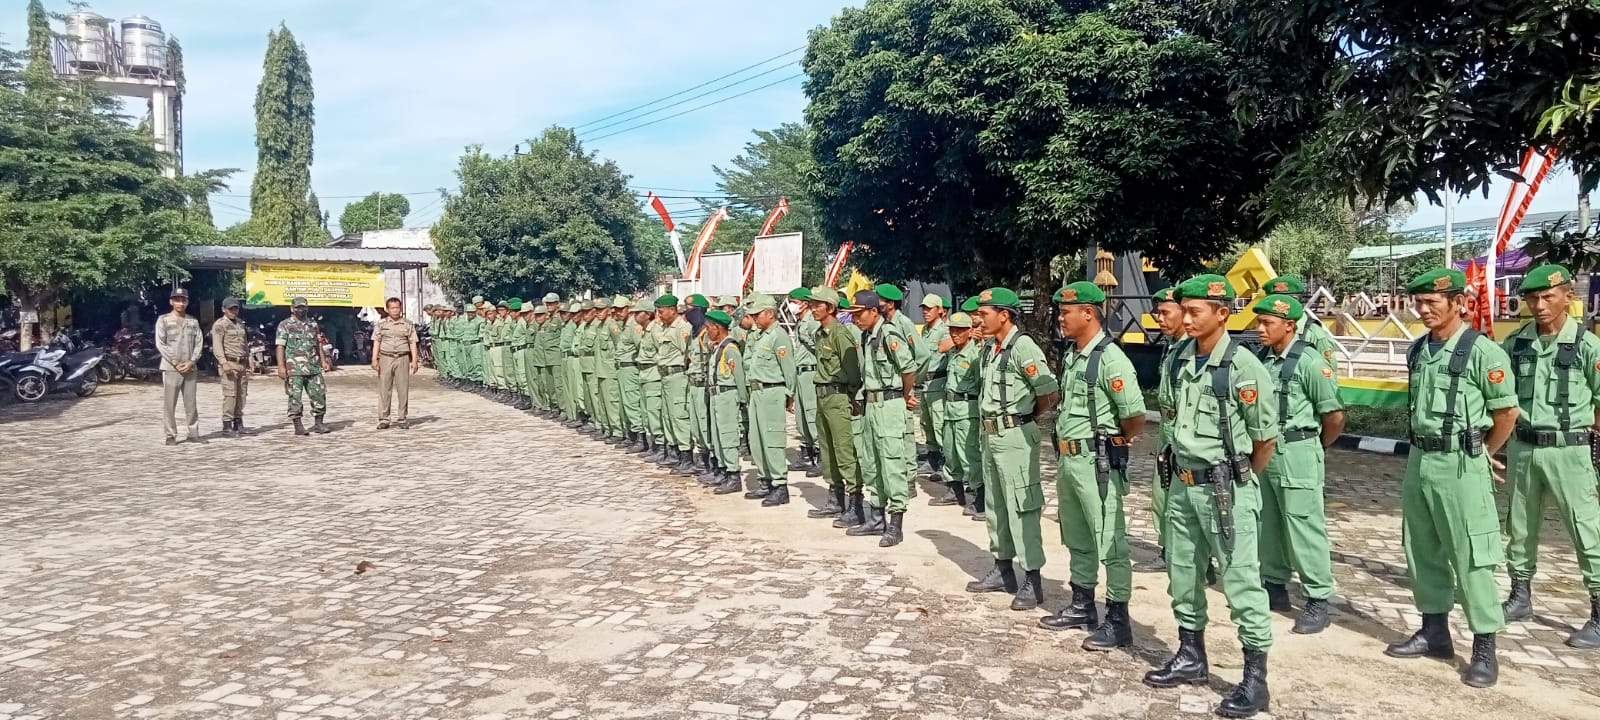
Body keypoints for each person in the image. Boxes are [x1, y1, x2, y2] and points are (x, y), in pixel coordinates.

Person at [1143, 275, 1277, 719]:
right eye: (1185, 309)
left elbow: (1264, 440)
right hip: (1182, 485)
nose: (1187, 316)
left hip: (1226, 489)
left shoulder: (1243, 366)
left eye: (1197, 309)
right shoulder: (1179, 357)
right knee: (1182, 571)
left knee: (1240, 581)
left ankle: (1255, 679)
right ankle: (1191, 654)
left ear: (1223, 312)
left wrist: (1236, 477)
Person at [1382, 268, 1518, 688]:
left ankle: (1483, 646)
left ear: (1458, 302)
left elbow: (1506, 414)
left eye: (1432, 303)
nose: (1423, 310)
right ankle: (1434, 630)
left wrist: (1482, 454)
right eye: (1418, 303)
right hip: (1421, 460)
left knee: (1471, 553)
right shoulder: (1419, 350)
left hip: (1462, 464)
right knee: (1421, 547)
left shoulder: (1482, 352)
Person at [1038, 282, 1147, 651]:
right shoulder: (1074, 355)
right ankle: (1082, 604)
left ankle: (1118, 619)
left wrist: (1118, 440)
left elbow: (1133, 415)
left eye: (1066, 312)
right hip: (1070, 459)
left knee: (1110, 540)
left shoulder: (1110, 358)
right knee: (1078, 535)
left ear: (1089, 313)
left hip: (1096, 460)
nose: (1060, 317)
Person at [1498, 264, 1600, 648]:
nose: (1539, 305)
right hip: (1524, 447)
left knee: (1586, 529)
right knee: (1519, 526)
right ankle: (1520, 596)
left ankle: (1598, 612)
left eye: (1547, 297)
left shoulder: (1588, 346)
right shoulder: (1518, 344)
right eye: (1532, 298)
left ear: (1567, 297)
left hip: (1569, 449)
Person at [1252, 294, 1344, 635]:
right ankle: (1274, 584)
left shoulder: (1309, 362)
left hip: (1299, 449)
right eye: (1258, 322)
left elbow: (1333, 416)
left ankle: (1317, 597)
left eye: (1267, 323)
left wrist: (1314, 447)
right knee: (1269, 522)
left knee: (1304, 525)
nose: (1260, 329)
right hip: (1268, 451)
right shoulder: (1264, 359)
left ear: (1289, 325)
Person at [963, 288, 1060, 609]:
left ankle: (1032, 577)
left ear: (1004, 315)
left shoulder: (1023, 347)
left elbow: (1048, 392)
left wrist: (1024, 418)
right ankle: (1003, 567)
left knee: (1022, 506)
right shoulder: (991, 348)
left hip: (1016, 437)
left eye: (985, 313)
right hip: (991, 437)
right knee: (996, 505)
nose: (979, 318)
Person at [848, 290, 921, 547]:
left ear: (873, 311)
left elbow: (909, 368)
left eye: (859, 313)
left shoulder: (889, 334)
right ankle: (875, 517)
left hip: (890, 405)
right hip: (871, 405)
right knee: (872, 462)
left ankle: (896, 524)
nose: (855, 318)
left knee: (892, 463)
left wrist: (903, 393)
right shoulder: (868, 336)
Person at [806, 287, 864, 522]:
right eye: (812, 304)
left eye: (818, 304)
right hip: (822, 396)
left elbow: (852, 370)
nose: (813, 308)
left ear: (830, 308)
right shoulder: (820, 334)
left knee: (844, 449)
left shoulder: (841, 334)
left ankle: (855, 503)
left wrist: (849, 396)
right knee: (827, 450)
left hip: (838, 396)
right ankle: (835, 499)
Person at [1141, 287, 1188, 573]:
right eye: (1157, 312)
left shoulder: (1194, 349)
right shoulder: (1172, 347)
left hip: (1184, 429)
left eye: (1165, 312)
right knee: (1162, 492)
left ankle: (1194, 558)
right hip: (1167, 427)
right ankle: (1168, 549)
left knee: (1183, 495)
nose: (1159, 318)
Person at [740, 294, 798, 506]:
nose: (754, 318)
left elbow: (789, 369)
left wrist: (789, 395)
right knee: (757, 440)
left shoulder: (778, 336)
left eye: (757, 314)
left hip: (772, 392)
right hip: (757, 392)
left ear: (770, 313)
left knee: (772, 440)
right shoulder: (762, 335)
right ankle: (765, 480)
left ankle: (780, 485)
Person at [876, 283, 923, 497]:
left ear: (890, 304)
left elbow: (921, 356)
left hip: (903, 388)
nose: (877, 305)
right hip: (890, 391)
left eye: (880, 301)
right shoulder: (881, 325)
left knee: (905, 435)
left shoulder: (903, 323)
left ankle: (910, 481)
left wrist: (910, 388)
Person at [941, 311, 985, 521]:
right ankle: (955, 489)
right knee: (950, 452)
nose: (955, 334)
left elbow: (981, 385)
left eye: (960, 330)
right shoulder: (953, 353)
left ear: (970, 331)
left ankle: (980, 497)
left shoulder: (974, 355)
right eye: (952, 330)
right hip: (950, 409)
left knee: (969, 456)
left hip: (967, 410)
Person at [705, 309, 747, 494]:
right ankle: (723, 469)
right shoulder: (718, 347)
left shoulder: (730, 349)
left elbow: (738, 377)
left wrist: (743, 401)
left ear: (717, 327)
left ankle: (733, 474)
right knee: (718, 434)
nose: (707, 331)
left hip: (727, 395)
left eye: (709, 327)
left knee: (728, 434)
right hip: (717, 395)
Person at [276, 296, 332, 436]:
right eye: (298, 307)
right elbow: (280, 346)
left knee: (319, 394)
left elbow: (318, 343)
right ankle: (298, 425)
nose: (301, 310)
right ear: (292, 308)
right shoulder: (285, 325)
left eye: (303, 307)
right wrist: (281, 366)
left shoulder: (313, 324)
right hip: (294, 368)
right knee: (295, 397)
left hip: (313, 366)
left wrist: (323, 361)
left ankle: (319, 423)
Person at [156, 287, 205, 445]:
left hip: (190, 368)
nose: (180, 303)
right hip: (171, 368)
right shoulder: (163, 320)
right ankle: (170, 434)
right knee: (170, 403)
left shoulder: (193, 321)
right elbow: (161, 343)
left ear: (187, 302)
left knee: (191, 403)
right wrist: (175, 362)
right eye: (177, 300)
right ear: (171, 301)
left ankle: (193, 433)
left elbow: (199, 343)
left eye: (183, 300)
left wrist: (192, 361)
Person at [1263, 275, 1340, 373]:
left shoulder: (1316, 335)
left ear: (1295, 302)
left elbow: (1327, 376)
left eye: (1278, 304)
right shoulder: (1266, 331)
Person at [919, 294, 954, 500]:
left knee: (940, 423)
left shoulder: (945, 330)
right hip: (926, 383)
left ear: (940, 310)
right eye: (923, 308)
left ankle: (946, 464)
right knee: (927, 423)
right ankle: (932, 458)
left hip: (939, 382)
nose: (925, 311)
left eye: (929, 308)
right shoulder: (925, 330)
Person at [654, 295, 694, 467]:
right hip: (666, 376)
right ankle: (674, 452)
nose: (659, 315)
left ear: (672, 309)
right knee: (668, 416)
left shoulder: (682, 328)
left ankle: (686, 456)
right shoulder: (666, 327)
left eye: (662, 312)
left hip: (678, 376)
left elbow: (689, 354)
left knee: (679, 416)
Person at [788, 288, 823, 476]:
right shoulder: (800, 322)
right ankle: (806, 452)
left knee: (811, 414)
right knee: (801, 416)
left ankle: (820, 456)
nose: (791, 304)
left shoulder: (810, 322)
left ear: (804, 303)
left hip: (810, 372)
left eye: (794, 301)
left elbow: (820, 347)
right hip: (800, 373)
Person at [371, 296, 420, 430]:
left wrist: (414, 360)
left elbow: (412, 342)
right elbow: (376, 341)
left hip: (402, 358)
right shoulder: (381, 324)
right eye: (392, 308)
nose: (395, 310)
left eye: (397, 307)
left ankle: (402, 418)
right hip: (386, 358)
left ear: (401, 308)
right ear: (387, 309)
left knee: (403, 389)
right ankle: (384, 419)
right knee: (384, 389)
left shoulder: (408, 324)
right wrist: (374, 359)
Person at [682, 294, 715, 475]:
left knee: (705, 423)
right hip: (692, 383)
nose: (687, 313)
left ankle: (710, 461)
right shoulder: (694, 333)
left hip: (703, 385)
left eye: (690, 309)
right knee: (695, 425)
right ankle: (702, 459)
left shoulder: (706, 333)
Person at [210, 296, 251, 438]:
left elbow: (244, 343)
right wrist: (223, 362)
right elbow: (217, 345)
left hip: (241, 363)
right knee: (230, 395)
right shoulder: (220, 325)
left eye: (235, 308)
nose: (233, 311)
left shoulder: (240, 323)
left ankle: (238, 423)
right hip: (229, 363)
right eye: (230, 309)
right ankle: (227, 425)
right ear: (224, 309)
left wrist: (248, 358)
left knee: (241, 394)